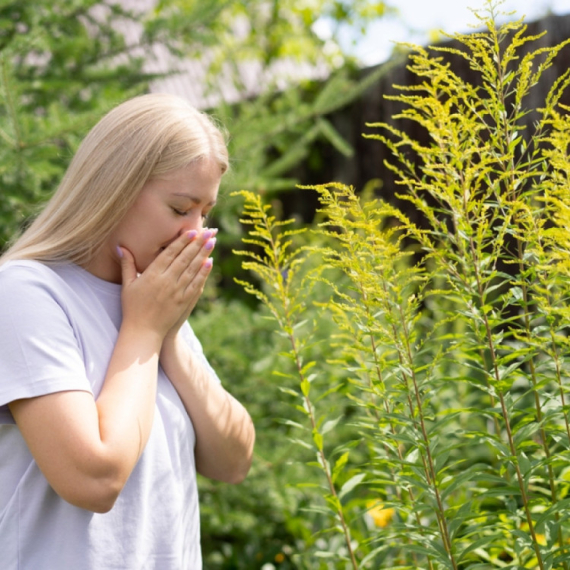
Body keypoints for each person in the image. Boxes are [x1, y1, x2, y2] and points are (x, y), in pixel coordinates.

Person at [0, 93, 255, 569]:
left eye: (206, 213)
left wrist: (170, 336)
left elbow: (233, 460)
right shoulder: (26, 293)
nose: (196, 234)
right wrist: (143, 330)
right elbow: (93, 479)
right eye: (181, 209)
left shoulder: (149, 305)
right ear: (113, 188)